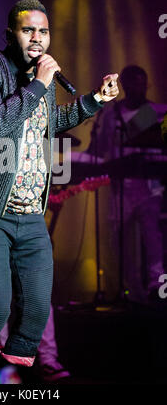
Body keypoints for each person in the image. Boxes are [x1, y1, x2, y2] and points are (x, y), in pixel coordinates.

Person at [0, 0, 119, 370]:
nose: (37, 39)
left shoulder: (39, 83)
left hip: (30, 216)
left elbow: (47, 125)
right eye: (28, 30)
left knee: (35, 311)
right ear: (10, 34)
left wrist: (95, 99)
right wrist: (40, 85)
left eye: (43, 31)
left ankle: (8, 372)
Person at [87, 65, 165, 303]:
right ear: (126, 86)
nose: (140, 88)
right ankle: (130, 288)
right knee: (118, 238)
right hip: (121, 186)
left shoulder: (157, 112)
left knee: (152, 236)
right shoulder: (111, 113)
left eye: (144, 84)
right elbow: (101, 148)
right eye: (134, 84)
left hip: (149, 187)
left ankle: (157, 284)